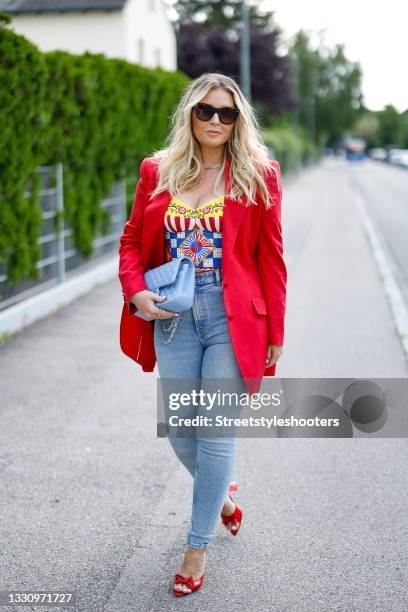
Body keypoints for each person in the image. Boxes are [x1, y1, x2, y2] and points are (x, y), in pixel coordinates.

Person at [118, 72, 287, 597]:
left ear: (239, 120)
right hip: (173, 315)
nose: (215, 121)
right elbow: (130, 243)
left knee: (215, 434)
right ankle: (224, 502)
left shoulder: (258, 175)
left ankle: (196, 547)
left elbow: (272, 257)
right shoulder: (158, 171)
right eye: (205, 111)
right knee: (182, 431)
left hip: (234, 319)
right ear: (190, 115)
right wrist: (135, 291)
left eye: (226, 113)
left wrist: (276, 332)